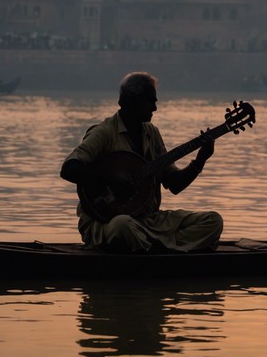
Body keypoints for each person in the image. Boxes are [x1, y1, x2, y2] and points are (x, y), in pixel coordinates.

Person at [60, 71, 223, 253]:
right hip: (106, 223)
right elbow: (69, 168)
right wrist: (110, 180)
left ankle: (150, 248)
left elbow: (174, 184)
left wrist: (201, 160)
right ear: (132, 101)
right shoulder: (104, 132)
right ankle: (166, 248)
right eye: (150, 101)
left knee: (213, 221)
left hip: (148, 221)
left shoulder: (152, 134)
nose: (154, 108)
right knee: (123, 225)